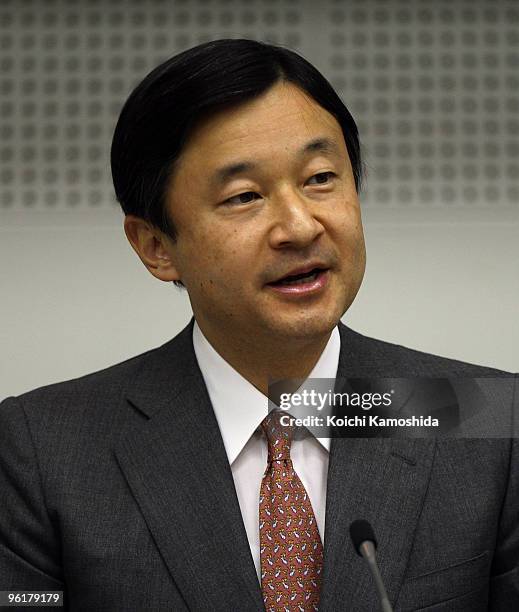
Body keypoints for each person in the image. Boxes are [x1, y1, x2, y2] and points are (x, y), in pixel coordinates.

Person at [0, 38, 517, 612]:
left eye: (321, 178)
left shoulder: (482, 417)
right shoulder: (42, 450)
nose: (299, 227)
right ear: (155, 246)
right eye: (245, 196)